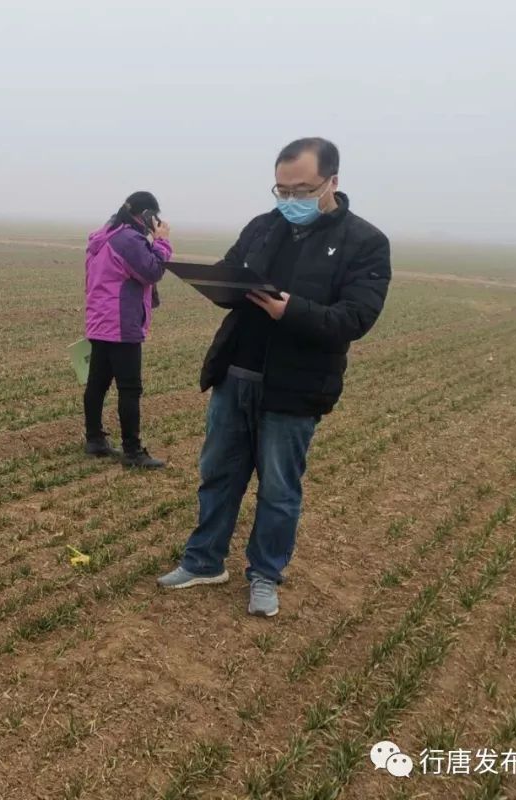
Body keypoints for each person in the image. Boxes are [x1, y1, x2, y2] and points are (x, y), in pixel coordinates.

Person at [158, 137, 391, 617]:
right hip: (236, 375)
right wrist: (218, 284)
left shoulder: (365, 243)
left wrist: (293, 311)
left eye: (302, 190)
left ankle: (265, 575)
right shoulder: (263, 227)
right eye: (281, 190)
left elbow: (356, 319)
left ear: (332, 182)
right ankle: (204, 561)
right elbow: (233, 273)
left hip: (296, 386)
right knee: (218, 475)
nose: (290, 201)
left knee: (280, 490)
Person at [83, 191, 172, 469]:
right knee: (130, 388)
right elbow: (152, 271)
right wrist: (163, 242)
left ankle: (95, 439)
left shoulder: (105, 234)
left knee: (97, 383)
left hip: (99, 320)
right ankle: (133, 452)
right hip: (121, 323)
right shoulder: (128, 240)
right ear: (146, 215)